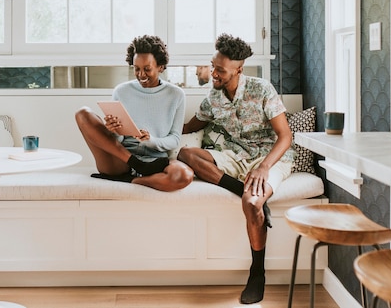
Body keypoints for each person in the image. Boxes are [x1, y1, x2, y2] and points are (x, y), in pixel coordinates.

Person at [177, 33, 295, 304]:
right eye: (212, 66)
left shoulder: (262, 89)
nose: (213, 73)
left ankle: (257, 273)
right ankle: (237, 186)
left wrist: (264, 168)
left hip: (269, 158)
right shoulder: (214, 96)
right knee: (186, 154)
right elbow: (192, 125)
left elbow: (285, 136)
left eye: (220, 70)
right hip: (234, 156)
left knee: (252, 204)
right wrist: (157, 131)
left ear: (239, 70)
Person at [75, 35, 193, 192]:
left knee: (184, 175)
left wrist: (151, 140)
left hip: (155, 161)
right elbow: (117, 140)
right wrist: (114, 131)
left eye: (147, 69)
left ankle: (132, 180)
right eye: (136, 69)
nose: (141, 75)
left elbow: (175, 139)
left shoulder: (176, 95)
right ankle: (136, 166)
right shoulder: (122, 91)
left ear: (161, 67)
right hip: (121, 160)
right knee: (83, 114)